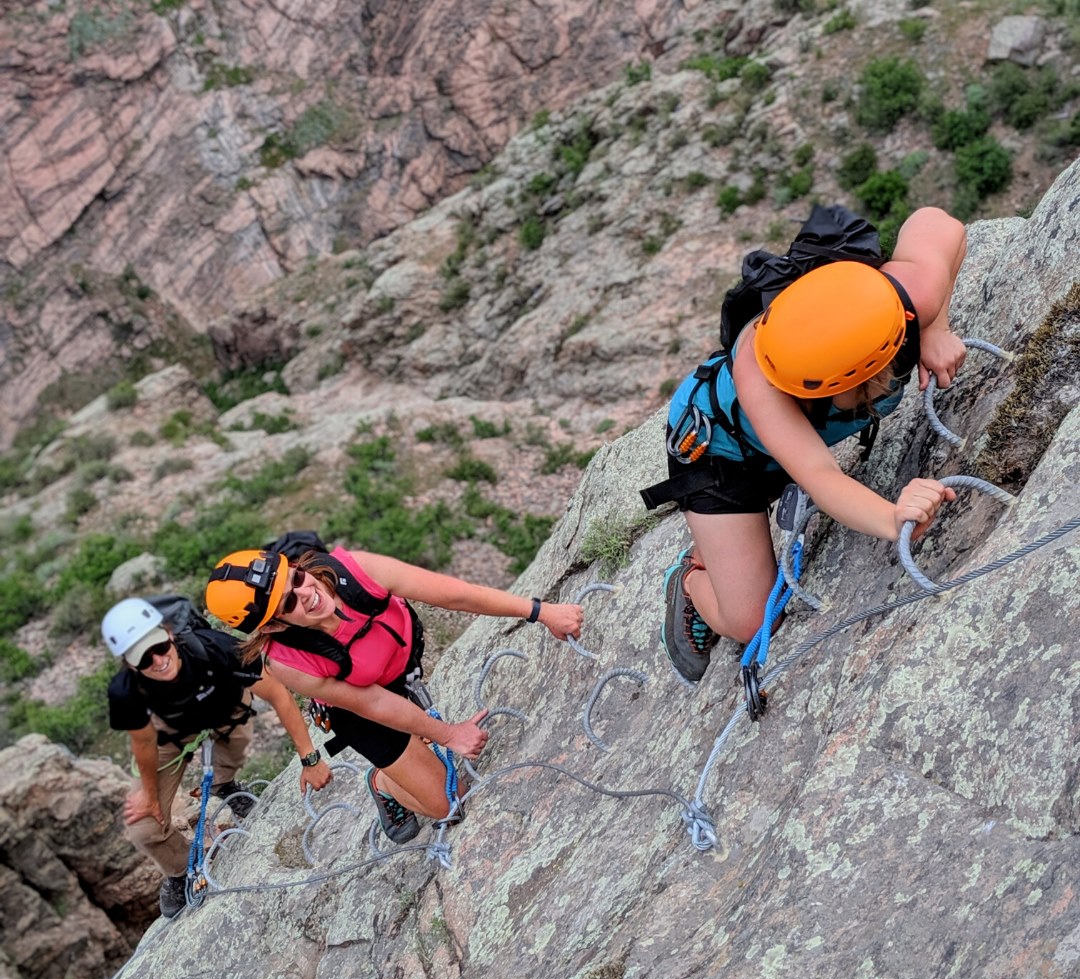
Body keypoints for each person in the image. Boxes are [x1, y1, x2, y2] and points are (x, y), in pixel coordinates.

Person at [652, 206, 967, 682]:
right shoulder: (763, 377)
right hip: (722, 452)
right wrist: (891, 517)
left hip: (785, 441)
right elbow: (820, 476)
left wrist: (935, 325)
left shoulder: (902, 302)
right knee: (752, 620)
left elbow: (939, 224)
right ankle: (691, 580)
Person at [204, 546, 583, 843]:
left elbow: (454, 595)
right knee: (450, 805)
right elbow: (372, 703)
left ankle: (404, 764)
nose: (307, 592)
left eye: (297, 577)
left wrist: (540, 611)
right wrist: (448, 734)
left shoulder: (355, 571)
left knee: (437, 774)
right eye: (288, 602)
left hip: (397, 668)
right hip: (361, 711)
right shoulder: (289, 661)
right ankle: (383, 783)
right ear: (271, 625)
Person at [103, 597, 332, 918]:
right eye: (143, 659)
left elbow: (278, 693)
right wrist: (150, 796)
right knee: (144, 829)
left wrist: (310, 759)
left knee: (235, 747)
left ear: (169, 634)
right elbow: (143, 745)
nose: (157, 660)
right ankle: (180, 870)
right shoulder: (126, 691)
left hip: (226, 710)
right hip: (170, 734)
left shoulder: (217, 649)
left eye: (159, 646)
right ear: (129, 665)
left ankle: (226, 786)